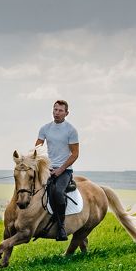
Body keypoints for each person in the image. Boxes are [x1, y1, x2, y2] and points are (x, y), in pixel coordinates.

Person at [35, 99, 79, 241]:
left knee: (58, 192)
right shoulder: (45, 129)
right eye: (55, 109)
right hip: (48, 168)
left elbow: (75, 154)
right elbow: (37, 149)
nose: (57, 113)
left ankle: (61, 227)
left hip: (64, 170)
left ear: (66, 113)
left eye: (60, 110)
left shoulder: (71, 130)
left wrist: (60, 169)